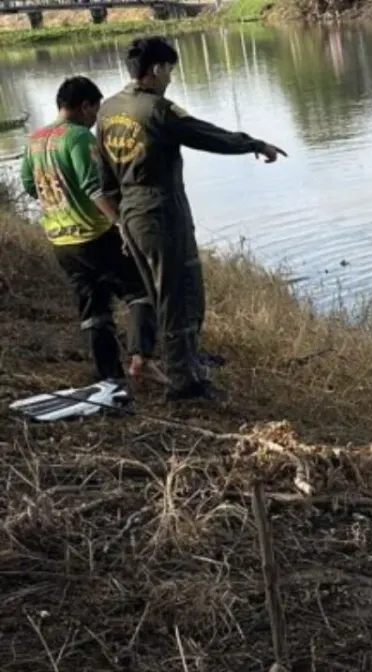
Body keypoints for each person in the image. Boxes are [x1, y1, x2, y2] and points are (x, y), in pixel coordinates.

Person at [94, 35, 288, 402]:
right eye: (169, 70)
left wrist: (121, 221)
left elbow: (104, 177)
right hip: (162, 212)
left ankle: (183, 363)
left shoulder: (107, 110)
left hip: (132, 214)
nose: (170, 78)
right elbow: (205, 135)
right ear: (156, 69)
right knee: (179, 295)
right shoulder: (157, 110)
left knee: (159, 292)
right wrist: (254, 143)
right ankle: (185, 382)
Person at [19, 75, 158, 386]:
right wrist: (121, 223)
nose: (95, 121)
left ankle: (109, 377)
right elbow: (94, 188)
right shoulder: (79, 137)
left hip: (60, 241)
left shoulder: (35, 141)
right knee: (141, 290)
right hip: (93, 235)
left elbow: (30, 185)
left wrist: (59, 202)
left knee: (93, 306)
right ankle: (141, 358)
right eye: (95, 113)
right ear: (85, 107)